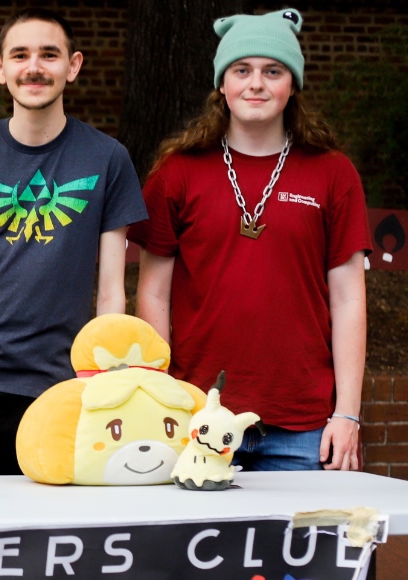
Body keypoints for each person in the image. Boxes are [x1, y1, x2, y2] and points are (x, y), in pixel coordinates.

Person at [129, 9, 370, 472]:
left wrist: (347, 412)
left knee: (305, 544)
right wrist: (163, 396)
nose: (256, 84)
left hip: (303, 426)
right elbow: (153, 292)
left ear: (292, 85)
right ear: (222, 84)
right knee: (196, 546)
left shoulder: (332, 173)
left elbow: (347, 300)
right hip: (199, 416)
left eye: (272, 71)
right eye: (242, 70)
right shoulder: (178, 172)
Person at [0, 9, 147, 475]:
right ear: (0, 68)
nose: (34, 67)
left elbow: (110, 292)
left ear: (73, 66)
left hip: (63, 388)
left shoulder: (107, 158)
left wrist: (106, 390)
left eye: (49, 54)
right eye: (20, 55)